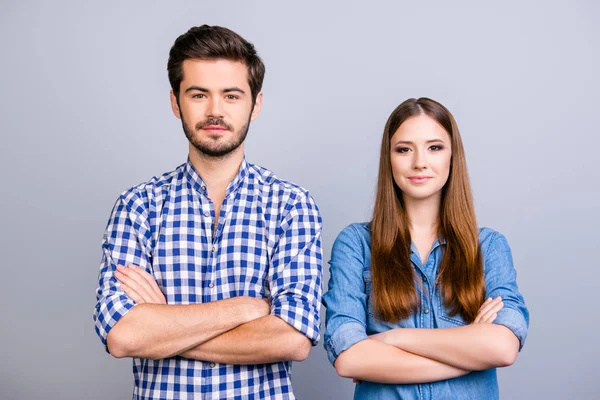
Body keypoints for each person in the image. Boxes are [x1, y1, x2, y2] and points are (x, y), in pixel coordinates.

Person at [93, 25, 323, 400]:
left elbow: (292, 339)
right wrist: (246, 309)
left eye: (231, 95)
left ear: (256, 104)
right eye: (199, 94)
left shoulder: (290, 205)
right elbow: (123, 335)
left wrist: (164, 323)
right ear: (175, 102)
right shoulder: (137, 207)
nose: (215, 110)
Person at [323, 97, 529, 399]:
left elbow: (502, 347)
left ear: (452, 156)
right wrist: (469, 351)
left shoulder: (489, 247)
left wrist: (394, 338)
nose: (419, 162)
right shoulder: (356, 244)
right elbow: (350, 358)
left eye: (434, 147)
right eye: (404, 149)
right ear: (389, 158)